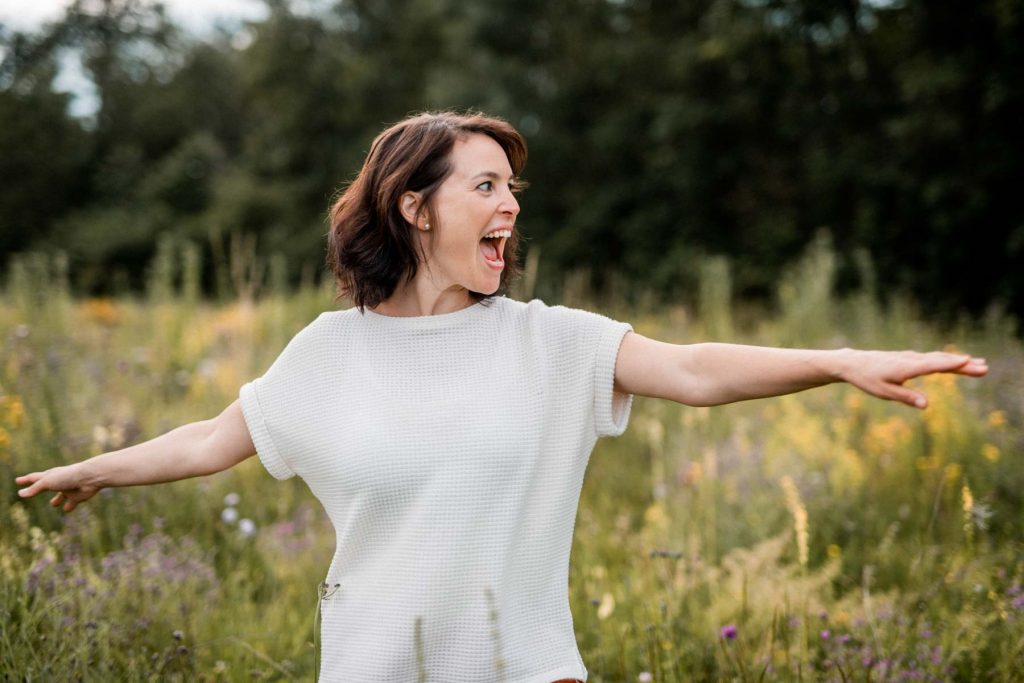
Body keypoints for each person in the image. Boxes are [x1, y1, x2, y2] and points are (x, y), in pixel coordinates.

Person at [15, 111, 988, 682]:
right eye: (484, 185)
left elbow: (693, 368)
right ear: (413, 204)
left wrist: (838, 356)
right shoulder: (327, 352)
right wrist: (98, 464)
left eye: (512, 188)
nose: (510, 206)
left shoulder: (546, 339)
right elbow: (211, 439)